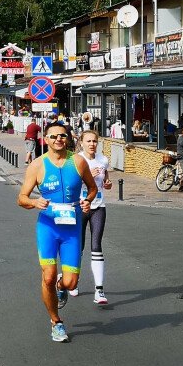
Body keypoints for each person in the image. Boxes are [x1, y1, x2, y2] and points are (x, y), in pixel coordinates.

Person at [17, 123, 97, 343]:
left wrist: (87, 201)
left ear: (68, 138)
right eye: (53, 136)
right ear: (46, 139)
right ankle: (56, 322)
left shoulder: (78, 162)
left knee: (71, 283)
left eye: (62, 135)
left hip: (72, 229)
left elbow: (92, 188)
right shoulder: (37, 165)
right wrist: (34, 202)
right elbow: (21, 197)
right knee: (48, 276)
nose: (58, 139)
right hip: (48, 228)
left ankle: (62, 287)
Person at [76, 130, 111, 305]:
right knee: (79, 245)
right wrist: (90, 175)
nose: (92, 144)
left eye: (95, 141)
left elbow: (105, 179)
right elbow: (72, 184)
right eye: (88, 141)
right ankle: (73, 281)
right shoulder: (76, 161)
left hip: (98, 206)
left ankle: (99, 290)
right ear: (81, 142)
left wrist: (106, 183)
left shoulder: (103, 160)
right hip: (81, 206)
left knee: (96, 244)